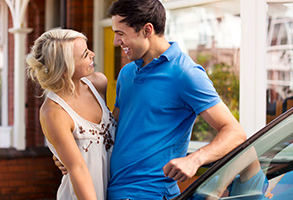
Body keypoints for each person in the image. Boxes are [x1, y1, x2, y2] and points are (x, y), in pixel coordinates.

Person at [55, 0, 246, 199]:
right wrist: (72, 151)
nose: (116, 42)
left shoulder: (185, 74)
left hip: (150, 193)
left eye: (121, 34)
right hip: (113, 189)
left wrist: (195, 159)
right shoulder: (127, 73)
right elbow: (111, 132)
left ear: (147, 30)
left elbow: (234, 132)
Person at [27, 29, 116, 200]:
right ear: (65, 69)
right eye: (84, 54)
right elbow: (78, 169)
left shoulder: (98, 83)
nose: (93, 54)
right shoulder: (54, 112)